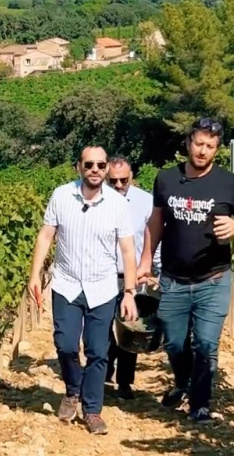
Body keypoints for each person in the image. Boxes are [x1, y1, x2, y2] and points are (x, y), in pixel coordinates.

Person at [137, 118, 234, 423]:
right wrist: (144, 261)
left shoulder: (229, 184)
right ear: (188, 142)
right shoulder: (166, 179)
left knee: (205, 343)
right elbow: (156, 222)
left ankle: (200, 404)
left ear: (216, 150)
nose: (203, 151)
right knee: (175, 343)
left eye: (210, 147)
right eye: (199, 144)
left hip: (213, 280)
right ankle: (182, 383)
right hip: (173, 280)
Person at [28, 146, 139, 435]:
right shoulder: (61, 196)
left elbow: (128, 250)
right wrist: (35, 275)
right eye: (89, 164)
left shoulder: (117, 204)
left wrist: (129, 291)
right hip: (66, 284)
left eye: (101, 165)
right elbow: (46, 236)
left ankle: (92, 410)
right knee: (65, 345)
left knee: (98, 350)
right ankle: (72, 390)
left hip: (102, 288)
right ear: (78, 166)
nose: (95, 170)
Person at [103, 156, 153, 400]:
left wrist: (153, 269)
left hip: (131, 276)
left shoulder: (145, 202)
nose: (119, 185)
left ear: (132, 175)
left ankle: (124, 382)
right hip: (101, 276)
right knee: (101, 329)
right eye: (114, 181)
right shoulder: (96, 199)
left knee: (129, 330)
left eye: (124, 180)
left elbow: (153, 239)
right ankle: (103, 372)